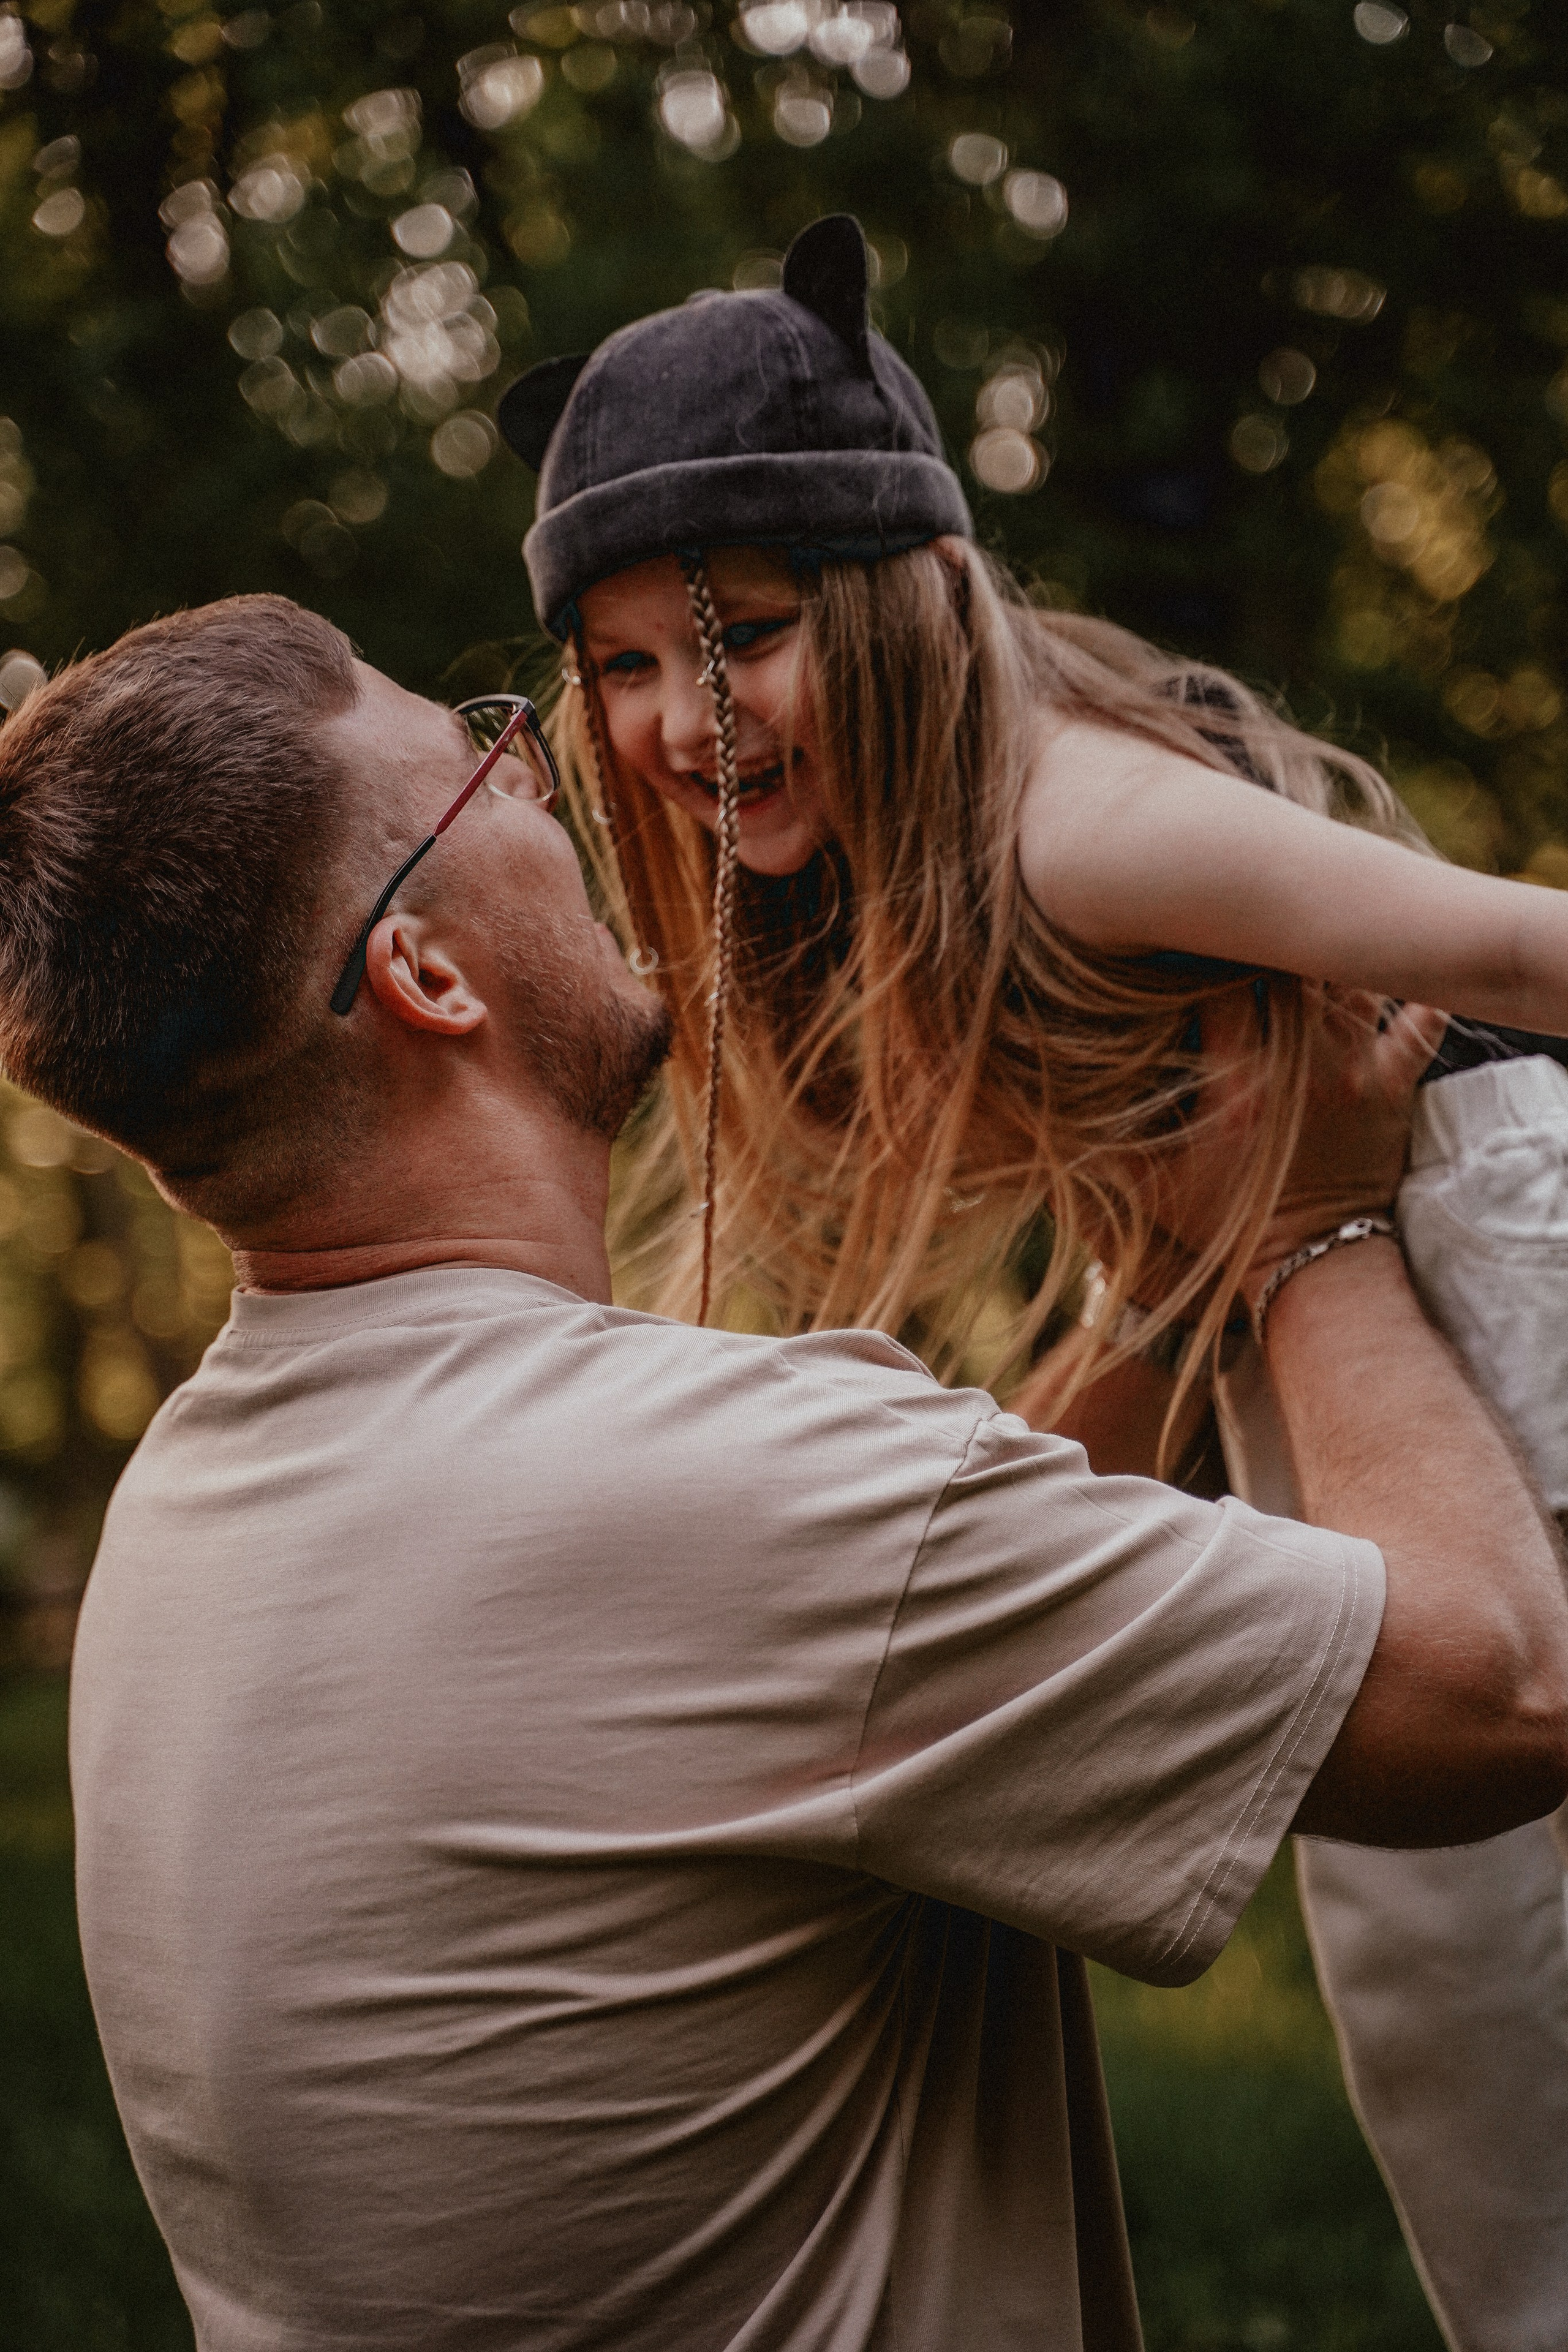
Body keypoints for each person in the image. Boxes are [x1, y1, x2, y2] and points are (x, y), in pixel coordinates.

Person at [38, 592, 1568, 2351]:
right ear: (425, 971)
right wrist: (1314, 1223)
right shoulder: (725, 1492)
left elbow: (911, 1618)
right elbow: (1501, 1693)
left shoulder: (186, 1519)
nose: (565, 785)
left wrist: (1161, 1289)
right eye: (491, 765)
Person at [498, 213, 1568, 2346]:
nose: (692, 718)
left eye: (756, 635)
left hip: (1504, 1262)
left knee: (1504, 1973)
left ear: (906, 606)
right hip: (1340, 1327)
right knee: (1459, 2006)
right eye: (625, 664)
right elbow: (1163, 1282)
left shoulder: (1077, 826)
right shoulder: (887, 895)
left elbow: (1531, 951)